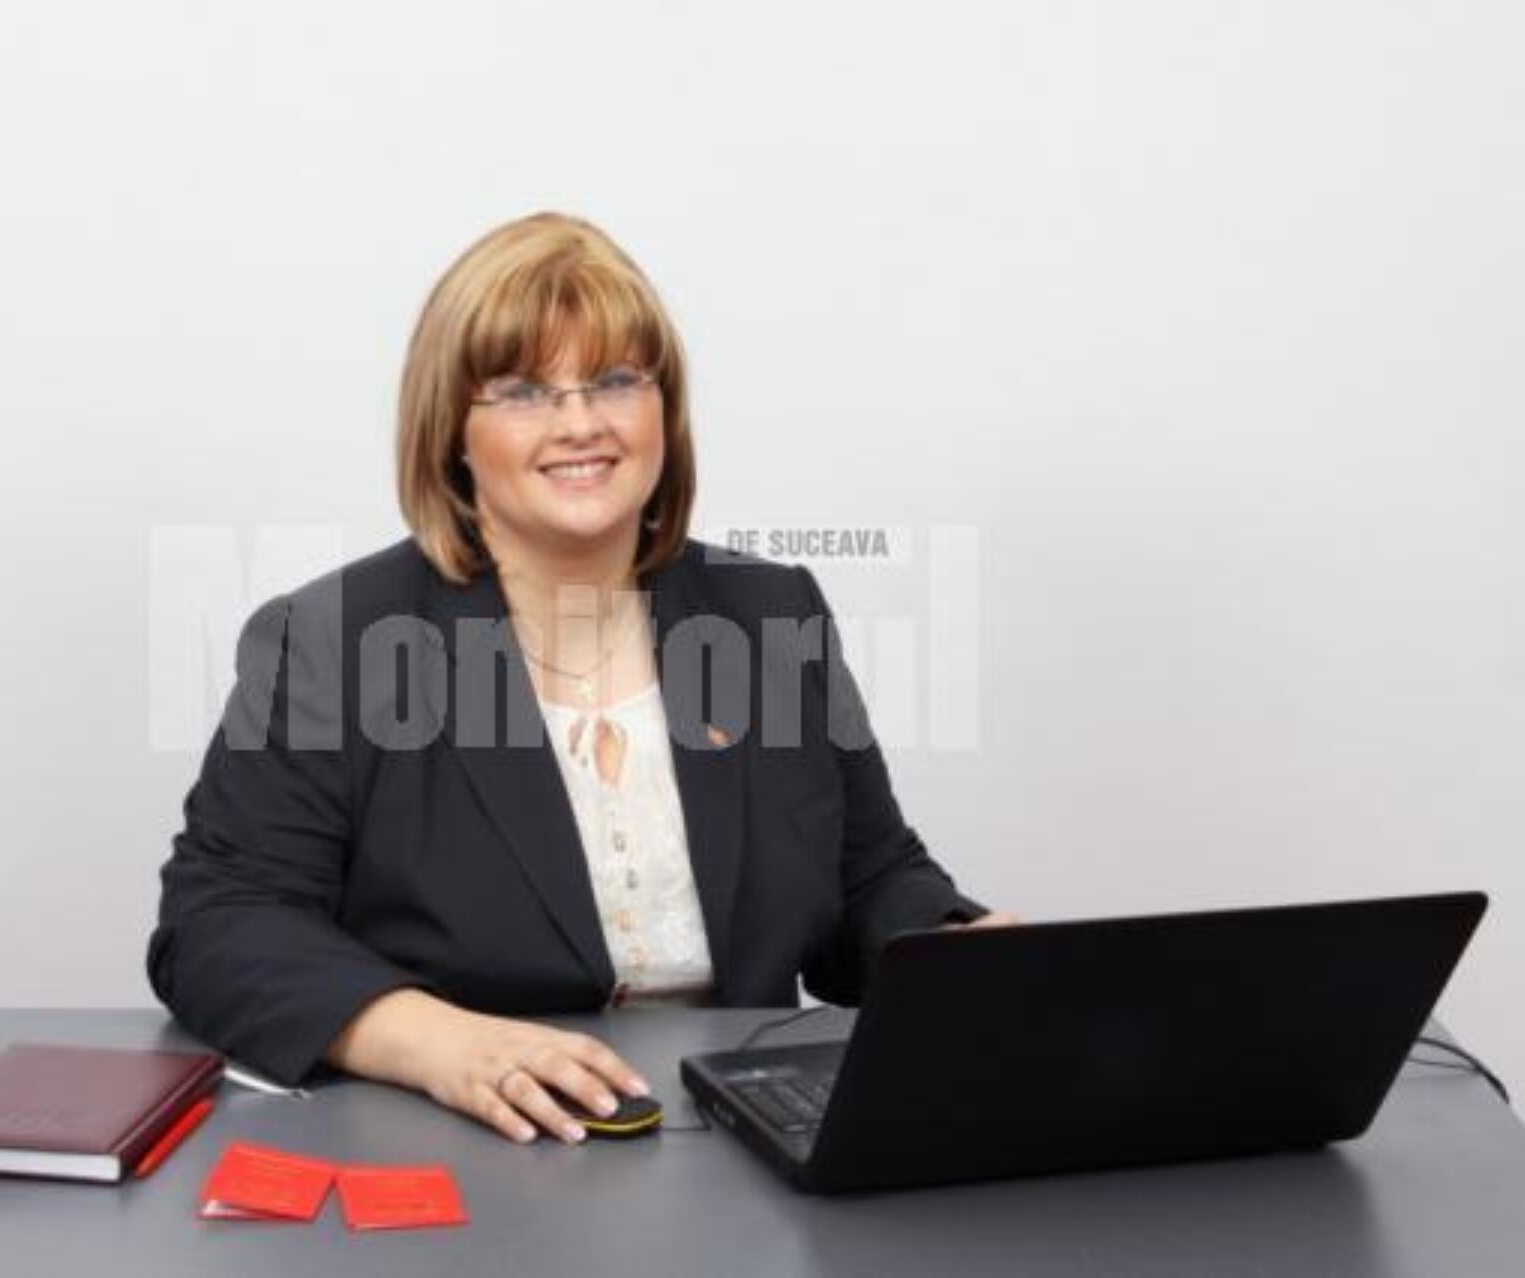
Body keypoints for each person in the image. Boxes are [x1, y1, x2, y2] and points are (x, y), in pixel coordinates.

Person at [147, 211, 1015, 1146]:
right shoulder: (334, 640)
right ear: (451, 432)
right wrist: (436, 1042)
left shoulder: (770, 615)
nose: (581, 424)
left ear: (663, 410)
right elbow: (218, 922)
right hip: (464, 1141)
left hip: (739, 1138)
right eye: (523, 391)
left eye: (616, 381)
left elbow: (869, 879)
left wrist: (960, 961)